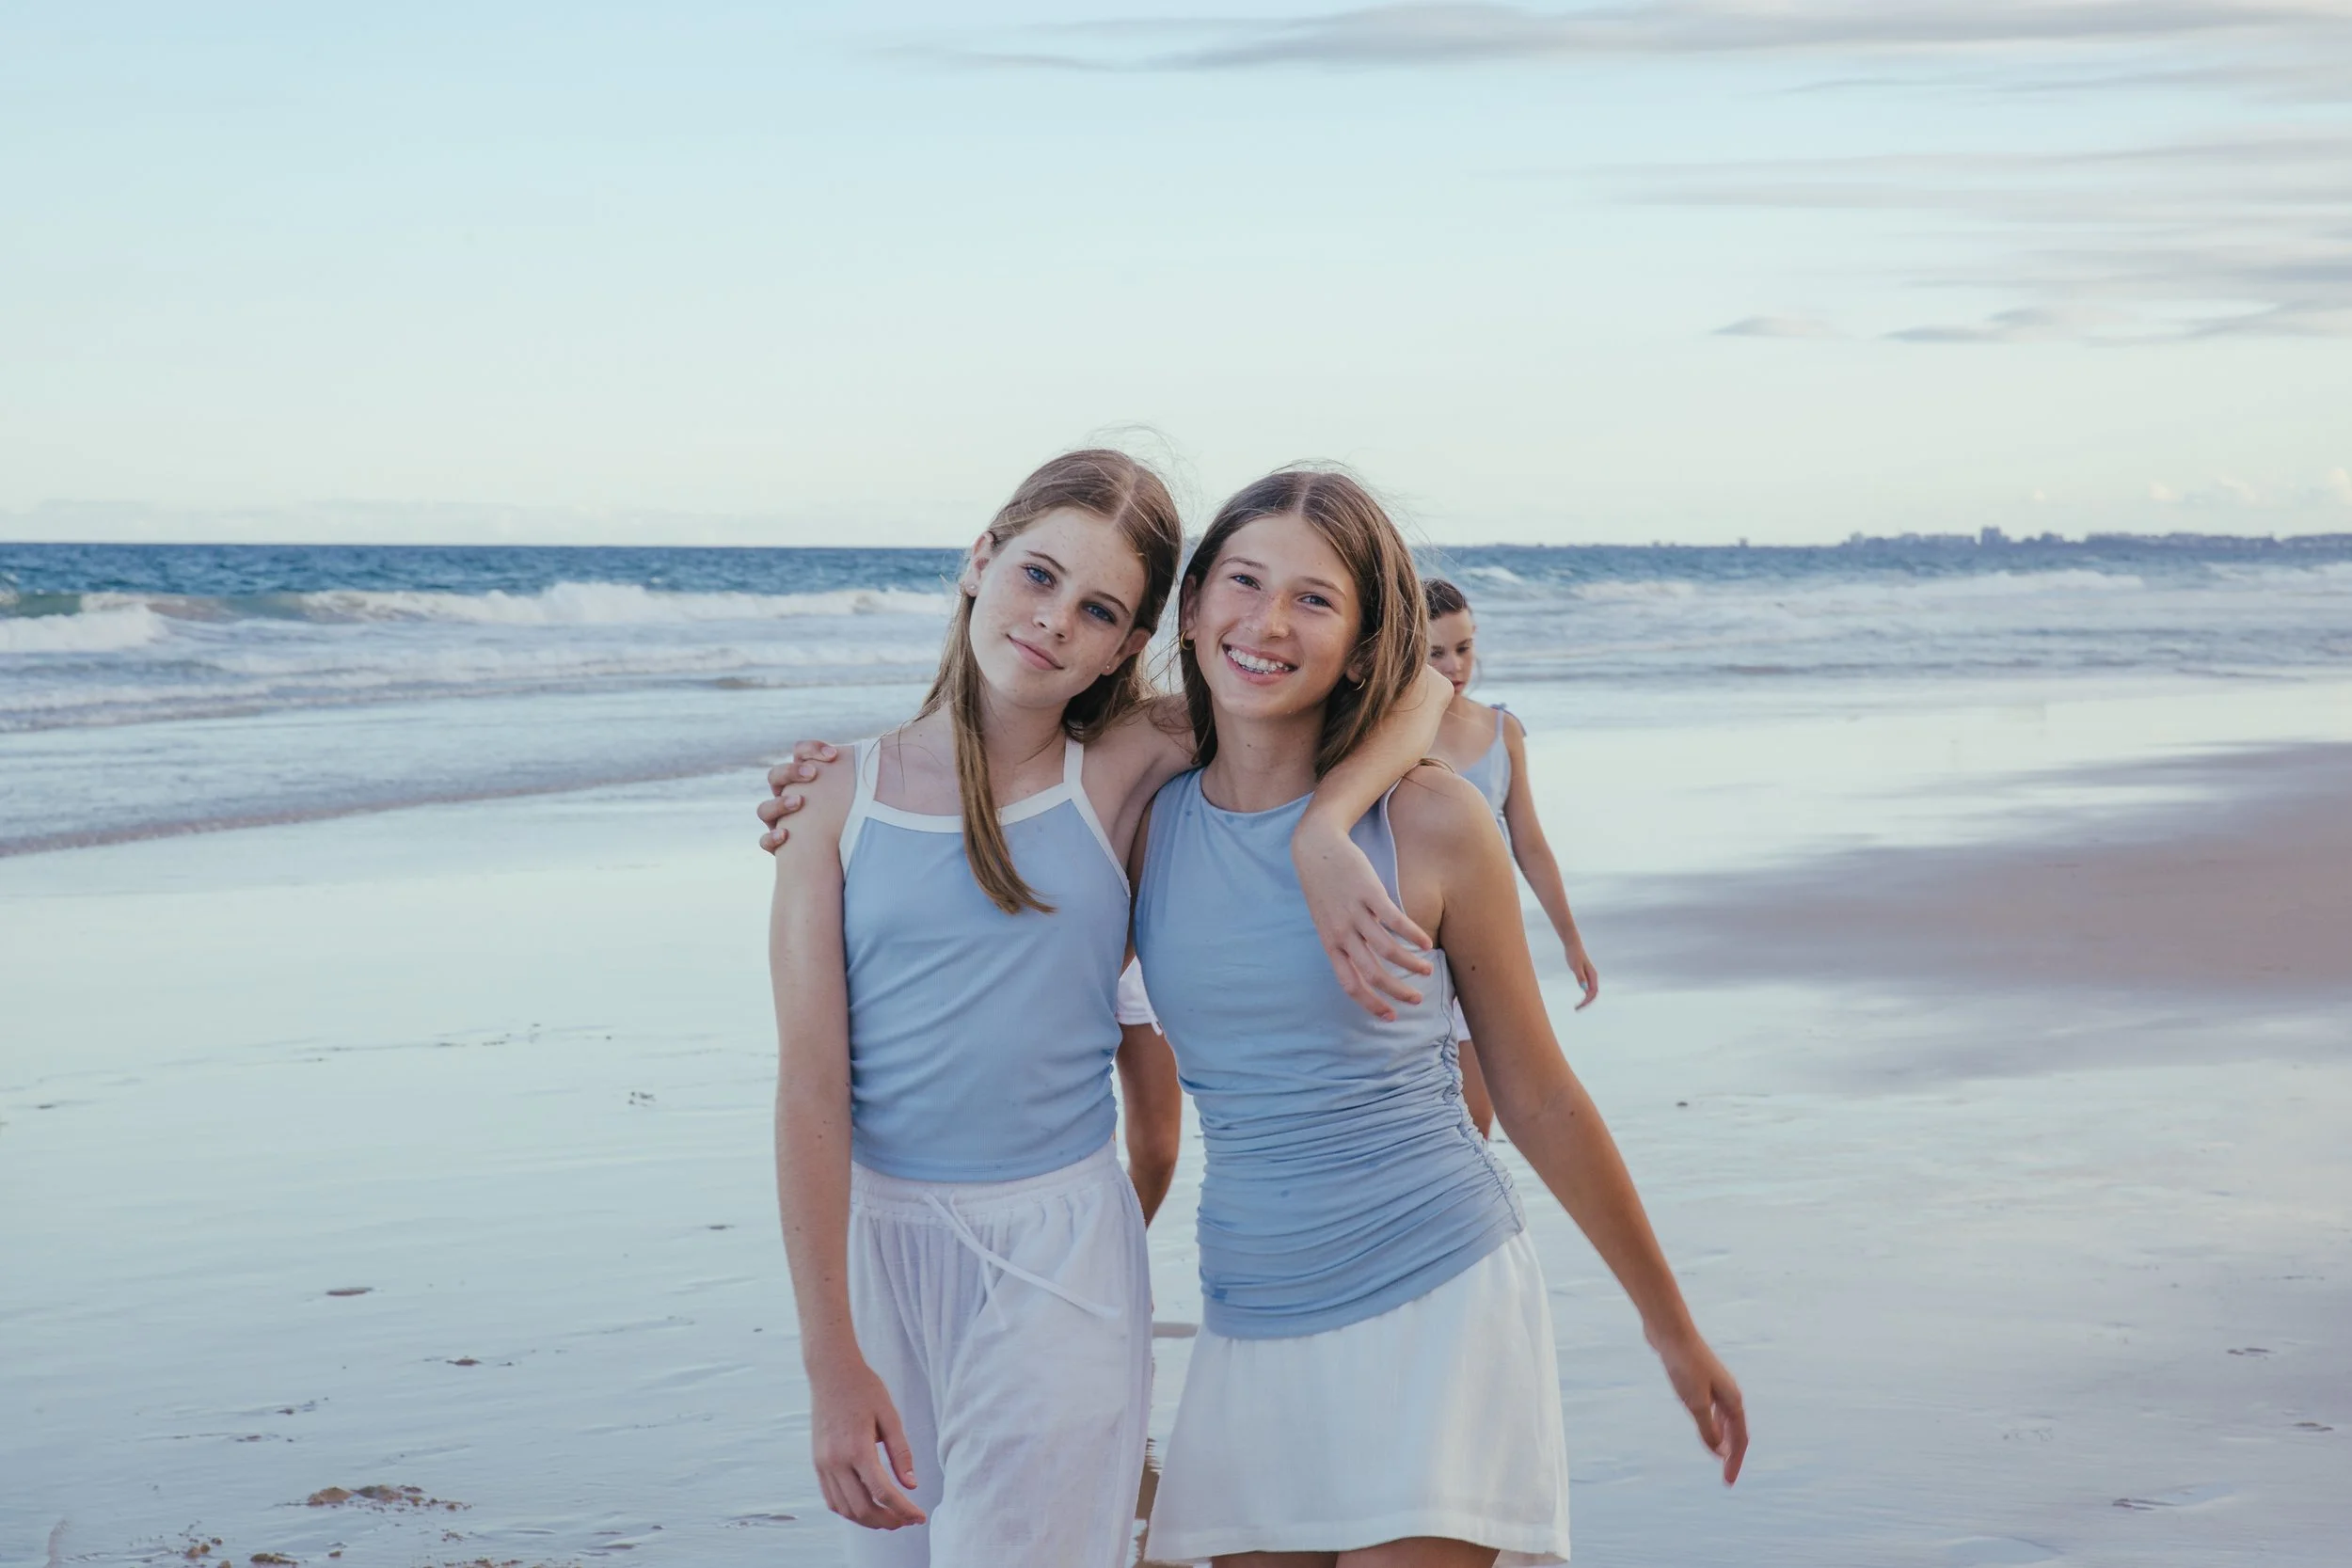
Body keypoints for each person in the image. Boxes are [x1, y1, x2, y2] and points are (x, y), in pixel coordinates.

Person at [763, 450, 1453, 1567]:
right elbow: (808, 1088)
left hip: (1058, 1246)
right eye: (1036, 576)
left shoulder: (1129, 760)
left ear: (1133, 642)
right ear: (978, 560)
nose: (1051, 623)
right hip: (879, 1246)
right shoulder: (835, 798)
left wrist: (1330, 827)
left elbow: (1420, 682)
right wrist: (829, 1358)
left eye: (1097, 610)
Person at [1128, 469, 1745, 1568]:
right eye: (1242, 581)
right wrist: (836, 787)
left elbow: (1539, 1092)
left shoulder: (1430, 819)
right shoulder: (1140, 815)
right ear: (1190, 606)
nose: (1267, 621)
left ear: (1367, 646)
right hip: (1247, 1315)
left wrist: (1669, 1323)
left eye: (1316, 599)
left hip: (1436, 1296)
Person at [1422, 577, 1598, 1138]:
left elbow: (1530, 844)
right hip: (1417, 938)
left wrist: (1570, 938)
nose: (1455, 666)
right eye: (1436, 653)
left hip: (1489, 937)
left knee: (1479, 1110)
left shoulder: (1502, 731)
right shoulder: (1387, 735)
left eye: (1465, 648)